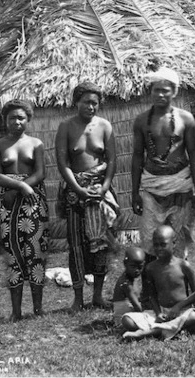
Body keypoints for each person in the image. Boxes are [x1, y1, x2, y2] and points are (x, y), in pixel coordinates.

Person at [56, 82, 118, 312]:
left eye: (95, 103)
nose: (91, 107)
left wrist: (104, 188)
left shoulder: (105, 126)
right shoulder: (66, 127)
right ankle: (78, 298)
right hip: (76, 192)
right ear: (76, 102)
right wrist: (78, 189)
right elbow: (62, 163)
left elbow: (111, 160)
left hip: (99, 191)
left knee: (100, 244)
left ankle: (98, 296)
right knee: (77, 245)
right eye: (86, 102)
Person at [131, 67, 195, 258]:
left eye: (166, 90)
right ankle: (152, 284)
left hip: (180, 186)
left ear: (175, 92)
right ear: (150, 92)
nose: (161, 94)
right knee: (149, 241)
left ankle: (178, 283)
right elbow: (138, 155)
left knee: (178, 241)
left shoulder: (186, 119)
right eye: (157, 90)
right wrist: (134, 192)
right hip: (151, 186)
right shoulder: (140, 121)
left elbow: (194, 155)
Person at [0, 100, 48, 321]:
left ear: (28, 120)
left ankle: (38, 308)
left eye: (21, 118)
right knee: (12, 251)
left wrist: (25, 186)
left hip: (33, 199)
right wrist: (18, 186)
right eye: (12, 117)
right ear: (5, 120)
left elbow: (40, 172)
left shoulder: (36, 143)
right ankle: (16, 310)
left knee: (36, 250)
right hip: (9, 201)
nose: (16, 122)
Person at [121, 225, 195, 340]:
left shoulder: (183, 265)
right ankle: (170, 329)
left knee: (193, 316)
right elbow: (152, 295)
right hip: (163, 312)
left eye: (163, 245)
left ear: (173, 243)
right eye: (156, 245)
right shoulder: (151, 268)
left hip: (181, 311)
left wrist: (178, 306)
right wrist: (158, 313)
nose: (159, 249)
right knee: (127, 320)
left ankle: (150, 332)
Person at [112, 246, 146, 326]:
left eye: (140, 267)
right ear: (125, 264)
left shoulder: (131, 278)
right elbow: (137, 306)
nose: (136, 271)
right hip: (123, 320)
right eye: (133, 267)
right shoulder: (126, 283)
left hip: (131, 313)